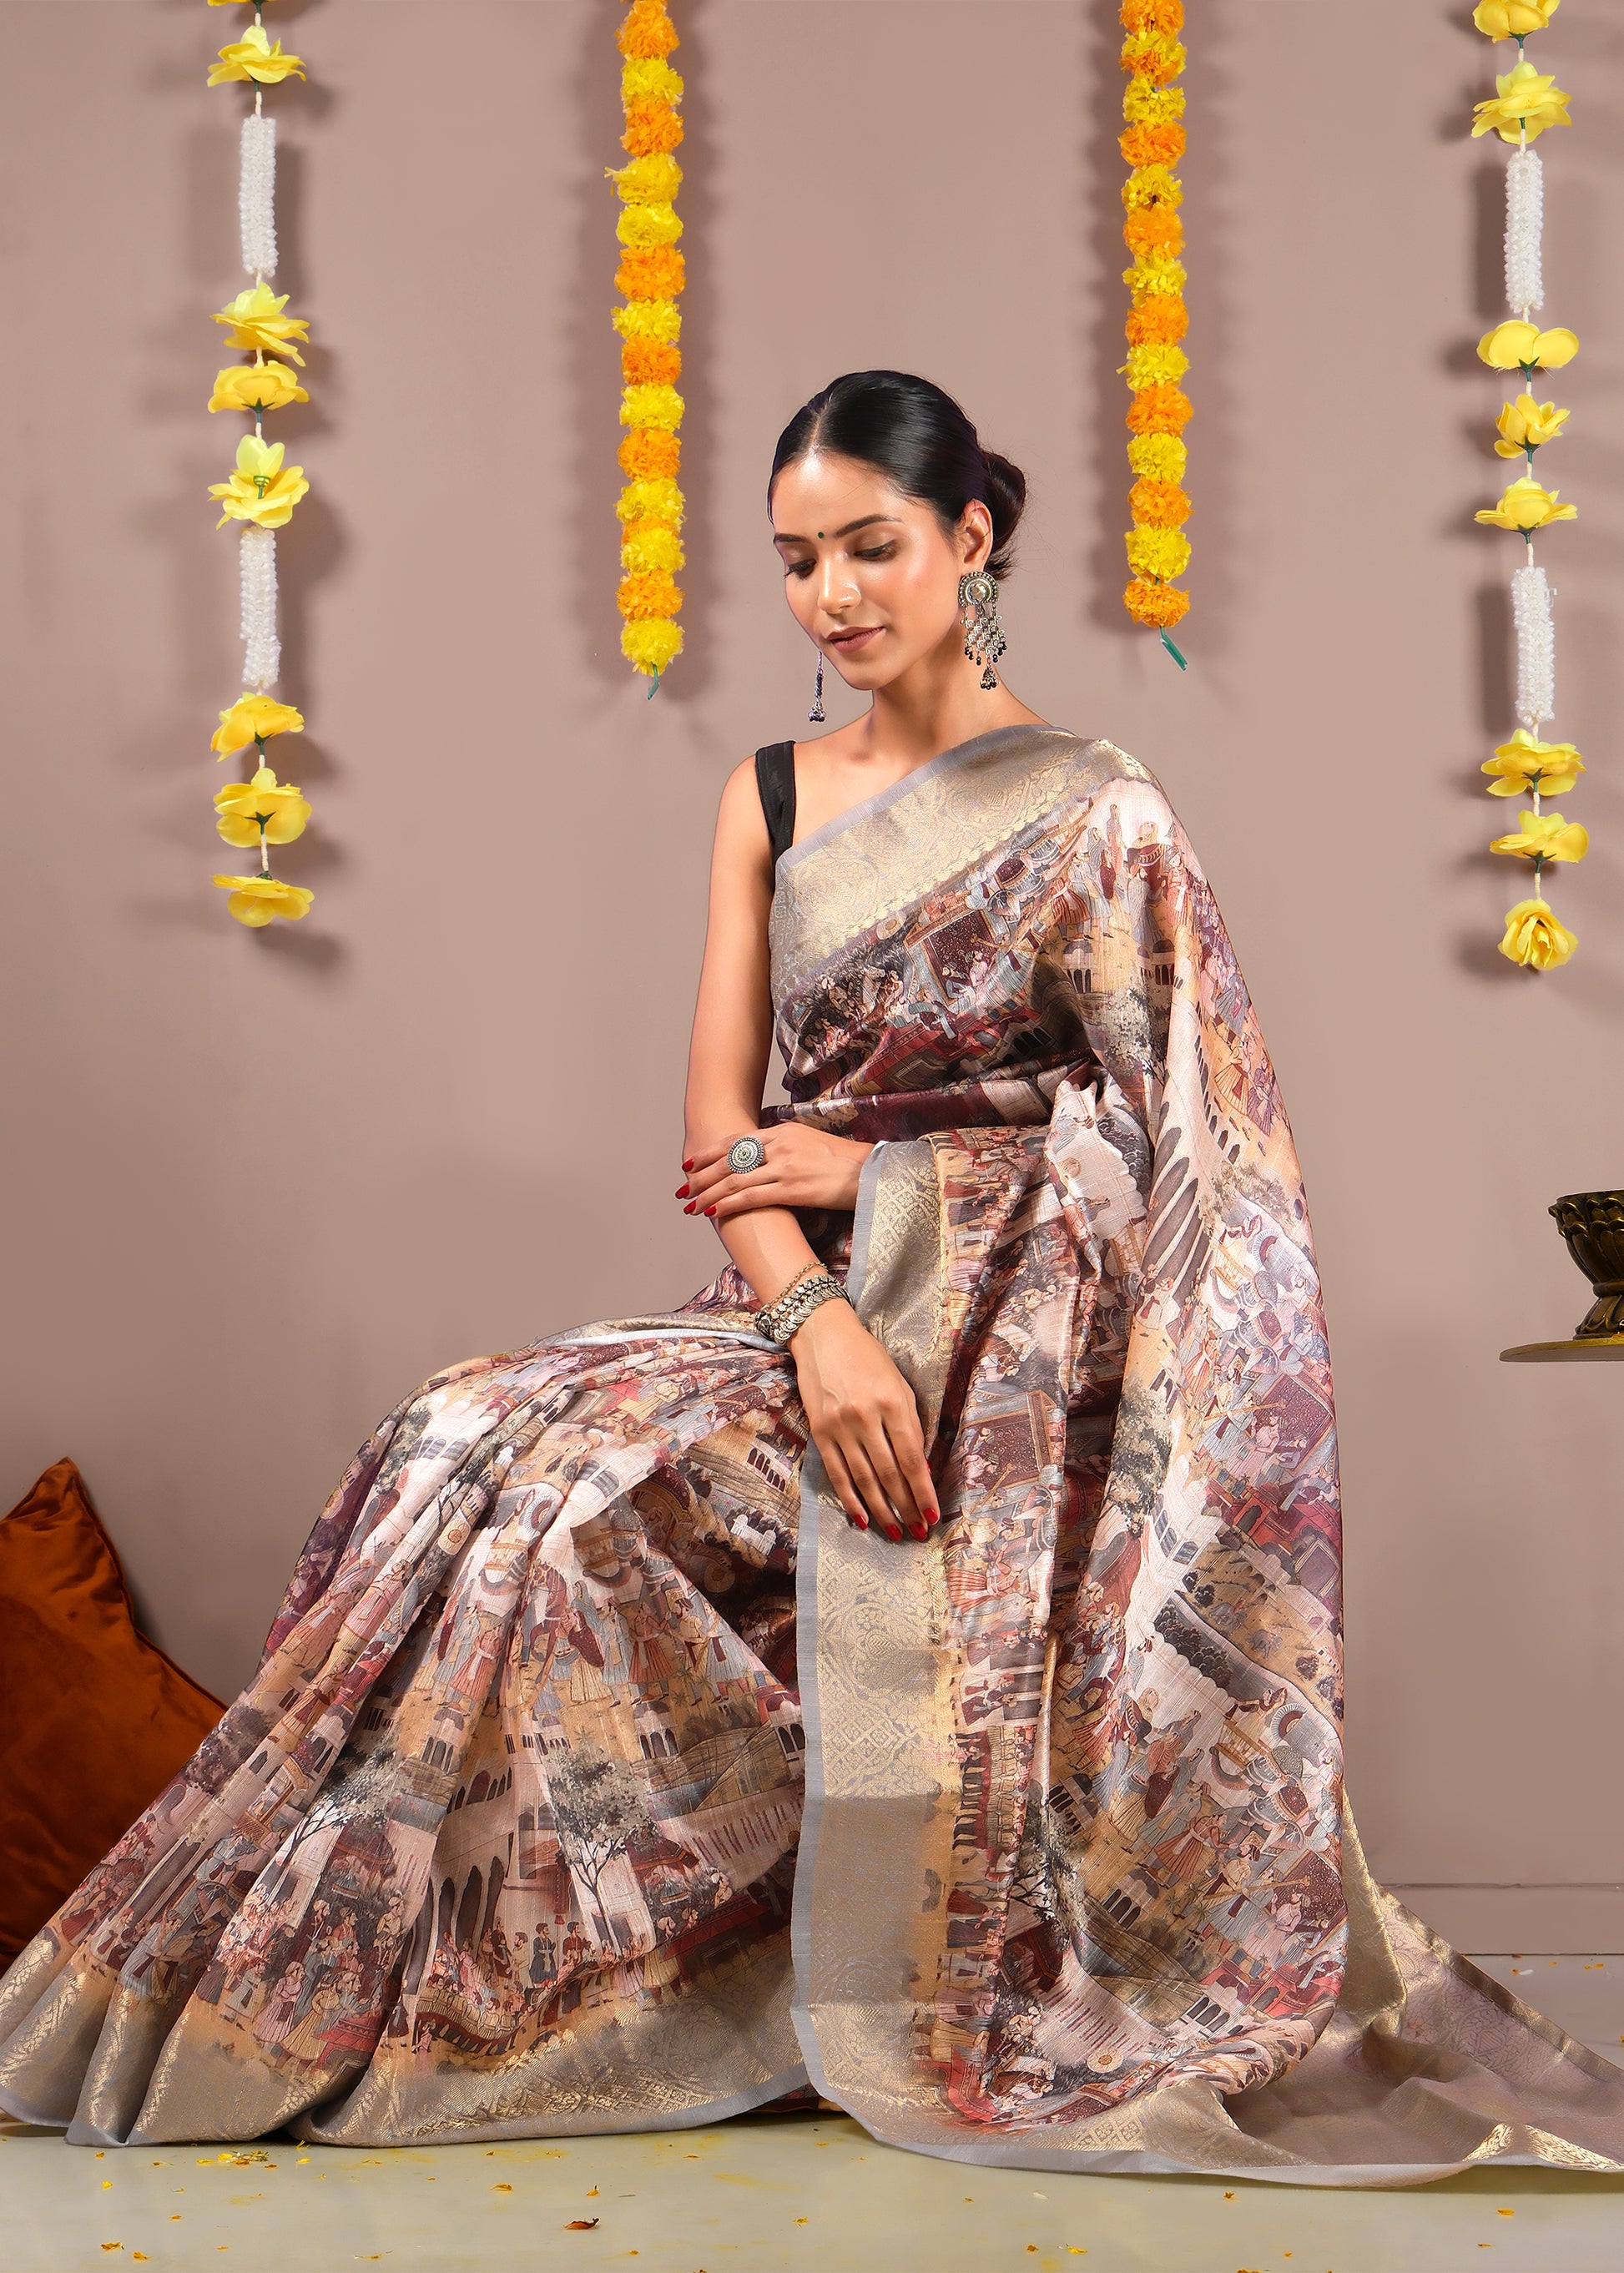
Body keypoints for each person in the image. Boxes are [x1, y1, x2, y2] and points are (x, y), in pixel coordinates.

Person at [1, 370, 1619, 2183]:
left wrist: (888, 1174)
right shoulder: (766, 793)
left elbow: (1197, 1168)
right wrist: (818, 1317)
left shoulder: (1099, 813)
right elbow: (718, 1137)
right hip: (793, 1315)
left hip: (1024, 1357)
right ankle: (375, 1992)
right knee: (467, 1443)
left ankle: (750, 1979)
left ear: (969, 540)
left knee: (570, 1502)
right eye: (797, 562)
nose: (837, 596)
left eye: (871, 547)